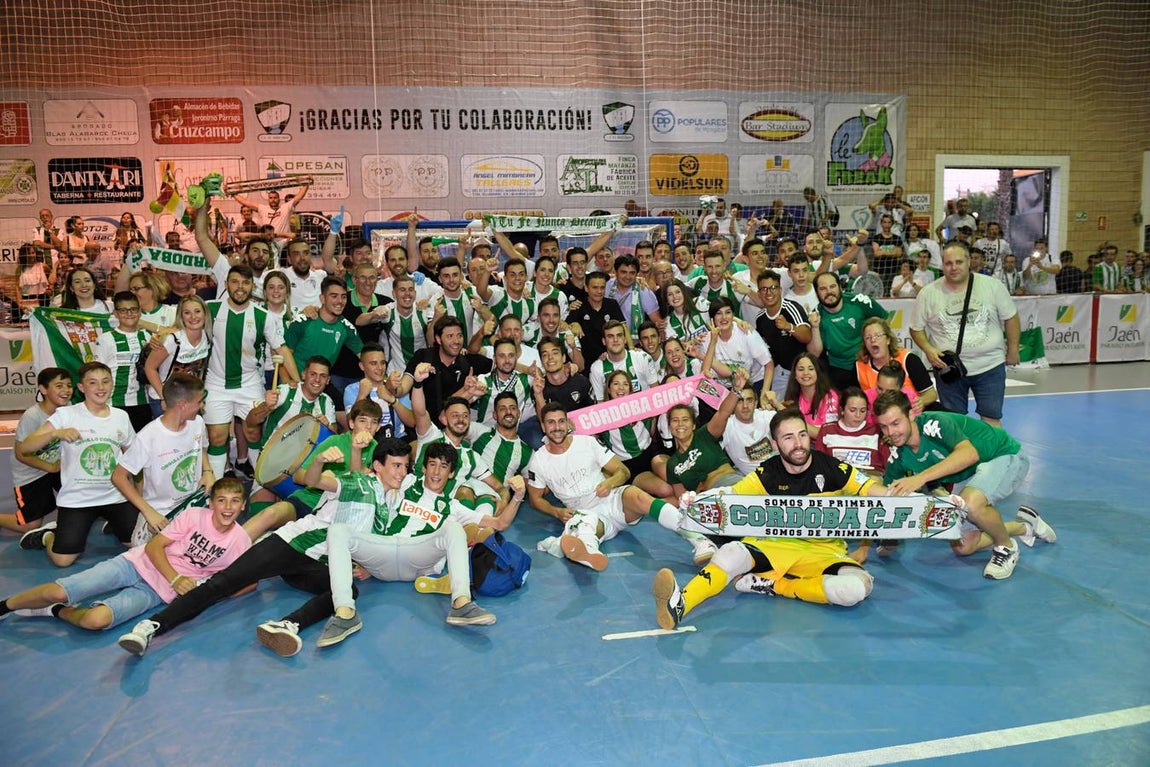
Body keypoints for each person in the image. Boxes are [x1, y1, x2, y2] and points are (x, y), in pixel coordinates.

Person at [117, 431, 383, 658]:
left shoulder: (390, 503)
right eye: (395, 466)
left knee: (346, 591)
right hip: (288, 544)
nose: (401, 471)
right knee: (221, 584)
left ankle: (287, 625)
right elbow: (312, 479)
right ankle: (151, 626)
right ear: (377, 467)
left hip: (315, 562)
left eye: (404, 467)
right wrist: (323, 459)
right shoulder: (359, 481)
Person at [652, 407, 882, 630]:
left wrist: (909, 495)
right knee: (730, 553)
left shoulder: (833, 468)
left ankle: (775, 585)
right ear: (775, 444)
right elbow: (731, 494)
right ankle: (679, 604)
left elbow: (875, 491)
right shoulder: (768, 473)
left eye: (802, 435)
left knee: (856, 590)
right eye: (788, 438)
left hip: (824, 551)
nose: (798, 444)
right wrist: (697, 500)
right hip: (777, 544)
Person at [317, 442, 511, 649]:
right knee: (338, 530)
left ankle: (461, 603)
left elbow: (500, 523)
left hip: (417, 558)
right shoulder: (407, 481)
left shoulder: (453, 507)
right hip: (384, 551)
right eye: (432, 465)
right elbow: (365, 478)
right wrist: (356, 450)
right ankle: (345, 613)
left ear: (452, 473)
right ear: (424, 468)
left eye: (443, 466)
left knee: (454, 528)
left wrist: (517, 497)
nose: (436, 472)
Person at [0, 478, 251, 632]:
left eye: (234, 501)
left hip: (156, 592)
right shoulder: (194, 515)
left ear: (243, 505)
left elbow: (248, 582)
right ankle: (4, 606)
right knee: (57, 590)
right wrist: (176, 579)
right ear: (212, 503)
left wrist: (210, 593)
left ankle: (55, 611)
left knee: (95, 621)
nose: (227, 508)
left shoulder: (240, 541)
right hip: (135, 564)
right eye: (222, 500)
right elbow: (154, 547)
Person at [874, 390, 1056, 580]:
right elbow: (888, 497)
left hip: (1004, 455)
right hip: (969, 474)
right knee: (964, 546)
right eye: (884, 427)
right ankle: (1024, 527)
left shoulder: (933, 424)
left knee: (971, 504)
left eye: (896, 423)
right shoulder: (898, 454)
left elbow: (969, 455)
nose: (891, 433)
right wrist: (886, 538)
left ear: (911, 414)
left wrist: (920, 478)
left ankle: (1006, 548)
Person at [525, 402, 715, 571]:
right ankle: (589, 551)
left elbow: (623, 471)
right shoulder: (539, 461)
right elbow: (535, 499)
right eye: (551, 422)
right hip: (585, 512)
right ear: (543, 426)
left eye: (560, 421)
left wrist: (610, 482)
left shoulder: (587, 442)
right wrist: (557, 512)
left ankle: (699, 540)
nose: (557, 427)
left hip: (613, 501)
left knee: (637, 495)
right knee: (585, 523)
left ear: (567, 423)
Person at [16, 362, 137, 567]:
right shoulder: (66, 415)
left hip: (115, 496)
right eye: (93, 382)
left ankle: (115, 523)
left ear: (112, 384)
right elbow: (25, 447)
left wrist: (137, 494)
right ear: (82, 388)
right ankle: (47, 536)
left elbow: (133, 456)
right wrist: (55, 433)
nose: (100, 387)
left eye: (105, 381)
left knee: (137, 544)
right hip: (78, 499)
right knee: (63, 560)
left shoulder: (121, 416)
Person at [202, 264, 300, 477]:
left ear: (252, 286)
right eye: (235, 282)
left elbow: (281, 348)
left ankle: (259, 481)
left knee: (253, 432)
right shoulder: (210, 309)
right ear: (226, 283)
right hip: (216, 384)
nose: (240, 287)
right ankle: (214, 488)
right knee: (217, 438)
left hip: (250, 384)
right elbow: (183, 322)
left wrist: (297, 381)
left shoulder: (263, 316)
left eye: (245, 283)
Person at [909, 242, 1019, 426]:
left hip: (990, 365)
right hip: (949, 369)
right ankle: (962, 454)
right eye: (948, 263)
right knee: (954, 421)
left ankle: (993, 454)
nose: (953, 267)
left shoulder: (992, 286)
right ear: (942, 264)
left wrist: (1013, 349)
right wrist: (928, 349)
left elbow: (1011, 317)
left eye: (958, 262)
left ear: (969, 262)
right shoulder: (928, 294)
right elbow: (916, 328)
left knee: (991, 419)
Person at [111, 373, 213, 546]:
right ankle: (133, 526)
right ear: (182, 405)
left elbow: (201, 446)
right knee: (146, 561)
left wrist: (208, 471)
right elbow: (118, 477)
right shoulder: (148, 437)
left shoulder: (197, 422)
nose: (202, 406)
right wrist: (148, 512)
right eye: (199, 402)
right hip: (160, 511)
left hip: (193, 503)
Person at [5, 368, 71, 536]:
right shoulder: (32, 416)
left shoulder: (69, 410)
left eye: (69, 386)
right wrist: (50, 468)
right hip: (31, 472)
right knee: (30, 526)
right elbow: (21, 454)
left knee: (90, 496)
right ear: (43, 389)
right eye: (59, 386)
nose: (66, 390)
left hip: (55, 466)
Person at [809, 271, 888, 391]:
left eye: (833, 286)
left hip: (866, 362)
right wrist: (814, 327)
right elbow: (815, 353)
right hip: (838, 367)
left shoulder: (860, 301)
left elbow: (885, 319)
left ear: (840, 287)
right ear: (816, 293)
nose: (829, 292)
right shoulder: (816, 315)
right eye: (823, 288)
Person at [94, 291, 153, 432]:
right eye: (123, 310)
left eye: (133, 309)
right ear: (116, 313)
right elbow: (97, 372)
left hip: (142, 402)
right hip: (114, 402)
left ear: (140, 311)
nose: (129, 314)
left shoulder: (148, 336)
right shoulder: (105, 339)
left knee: (138, 447)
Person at [854, 316, 937, 412]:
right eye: (868, 337)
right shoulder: (858, 367)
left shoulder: (909, 360)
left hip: (912, 415)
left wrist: (921, 401)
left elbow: (931, 394)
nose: (873, 340)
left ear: (888, 339)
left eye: (878, 335)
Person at [753, 270, 811, 403]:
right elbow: (764, 351)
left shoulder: (791, 308)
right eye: (764, 289)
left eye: (773, 288)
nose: (769, 293)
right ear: (759, 293)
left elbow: (807, 336)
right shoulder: (760, 318)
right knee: (777, 406)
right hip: (781, 371)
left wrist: (788, 326)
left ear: (780, 290)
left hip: (803, 369)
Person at [342, 343, 410, 440]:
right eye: (373, 363)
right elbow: (351, 423)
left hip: (396, 443)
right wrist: (361, 396)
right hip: (365, 441)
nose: (380, 368)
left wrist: (392, 399)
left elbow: (412, 422)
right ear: (362, 366)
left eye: (382, 363)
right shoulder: (352, 390)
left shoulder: (395, 387)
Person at [566, 271, 624, 371]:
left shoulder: (612, 304)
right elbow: (566, 326)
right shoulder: (578, 306)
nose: (599, 291)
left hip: (611, 358)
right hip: (587, 364)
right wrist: (573, 324)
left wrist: (631, 347)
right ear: (586, 288)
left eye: (602, 288)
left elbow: (622, 327)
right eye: (595, 287)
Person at [589, 320, 660, 400]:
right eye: (610, 336)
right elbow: (600, 402)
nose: (615, 340)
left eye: (619, 335)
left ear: (625, 339)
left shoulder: (642, 357)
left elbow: (656, 391)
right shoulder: (597, 368)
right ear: (604, 341)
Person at [721, 379, 776, 476]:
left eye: (749, 400)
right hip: (752, 481)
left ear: (755, 403)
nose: (745, 406)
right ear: (733, 404)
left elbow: (796, 425)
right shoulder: (727, 426)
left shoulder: (767, 416)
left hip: (780, 470)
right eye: (740, 401)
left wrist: (777, 404)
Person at [780, 351, 839, 434]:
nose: (806, 373)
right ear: (795, 375)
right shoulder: (792, 397)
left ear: (818, 373)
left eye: (811, 369)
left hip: (825, 445)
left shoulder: (830, 397)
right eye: (801, 369)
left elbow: (827, 434)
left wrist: (783, 411)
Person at [531, 336, 594, 414]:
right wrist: (538, 394)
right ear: (541, 362)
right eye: (545, 355)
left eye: (555, 353)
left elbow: (594, 412)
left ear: (564, 358)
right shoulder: (538, 388)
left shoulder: (581, 382)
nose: (550, 357)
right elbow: (543, 422)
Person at [606, 254, 662, 337]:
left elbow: (657, 322)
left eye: (632, 273)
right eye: (623, 272)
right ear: (615, 271)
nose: (628, 277)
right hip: (608, 341)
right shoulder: (605, 287)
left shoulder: (643, 290)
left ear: (637, 274)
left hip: (636, 344)